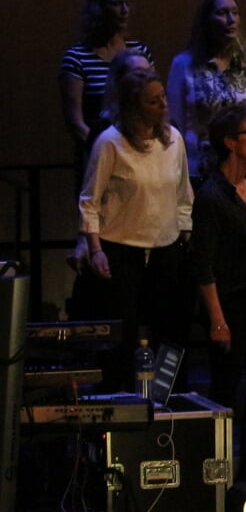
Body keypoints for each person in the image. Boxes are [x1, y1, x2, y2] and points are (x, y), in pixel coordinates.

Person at [78, 67, 194, 390]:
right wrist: (96, 250)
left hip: (166, 250)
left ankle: (168, 398)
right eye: (153, 101)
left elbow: (184, 194)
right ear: (134, 105)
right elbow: (90, 200)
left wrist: (184, 235)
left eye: (163, 98)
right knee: (123, 333)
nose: (163, 105)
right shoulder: (111, 144)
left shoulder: (174, 141)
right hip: (121, 250)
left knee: (169, 332)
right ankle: (120, 399)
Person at [191, 108, 246, 480]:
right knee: (226, 392)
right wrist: (217, 320)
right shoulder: (212, 197)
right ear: (230, 143)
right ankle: (219, 478)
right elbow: (203, 264)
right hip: (230, 305)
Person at [167, 0, 246, 177]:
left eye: (235, 13)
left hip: (243, 168)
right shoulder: (183, 64)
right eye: (222, 13)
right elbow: (175, 122)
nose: (231, 20)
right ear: (206, 20)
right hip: (198, 168)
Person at [60, 0, 150, 166]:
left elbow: (152, 101)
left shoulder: (139, 53)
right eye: (117, 3)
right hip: (97, 156)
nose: (125, 10)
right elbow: (76, 123)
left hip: (138, 153)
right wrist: (106, 151)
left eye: (127, 3)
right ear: (99, 8)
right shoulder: (77, 58)